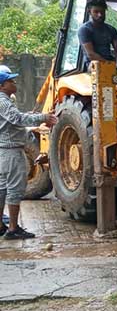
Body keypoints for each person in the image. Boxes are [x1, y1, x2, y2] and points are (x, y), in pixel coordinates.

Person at [0, 66, 57, 239]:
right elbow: (17, 119)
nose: (14, 82)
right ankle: (13, 228)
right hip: (11, 153)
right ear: (2, 85)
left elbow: (11, 124)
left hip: (4, 152)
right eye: (10, 80)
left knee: (2, 188)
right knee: (15, 190)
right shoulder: (3, 101)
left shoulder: (4, 101)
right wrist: (43, 117)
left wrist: (34, 123)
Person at [78, 0, 117, 66]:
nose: (100, 15)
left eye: (102, 12)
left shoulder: (111, 30)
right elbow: (91, 54)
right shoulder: (84, 30)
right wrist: (110, 65)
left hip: (109, 63)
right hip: (93, 67)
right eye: (96, 12)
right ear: (89, 12)